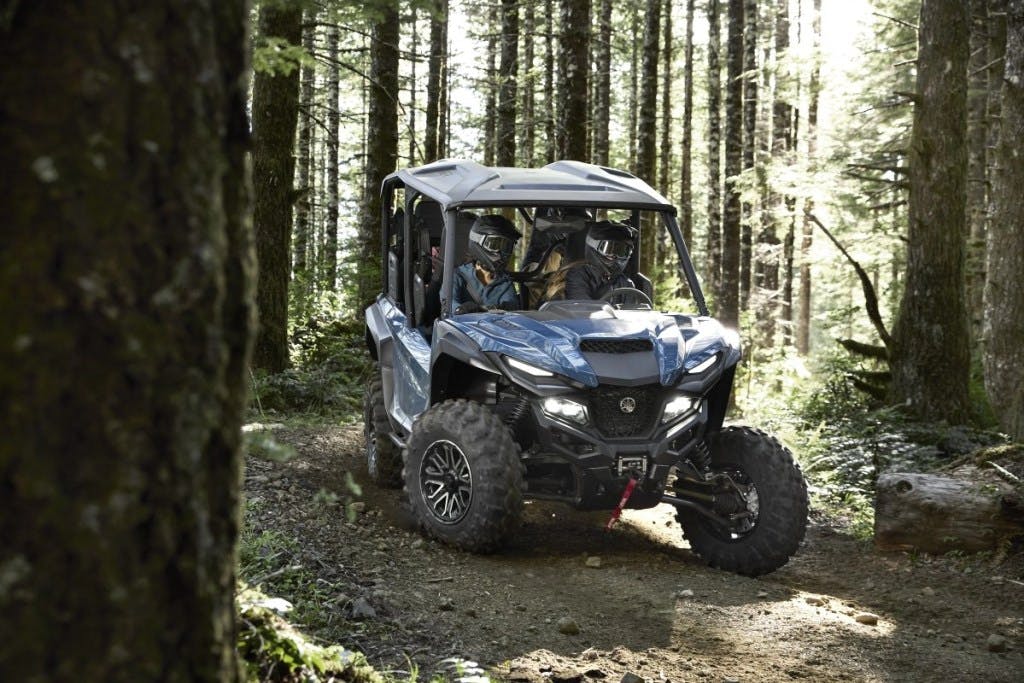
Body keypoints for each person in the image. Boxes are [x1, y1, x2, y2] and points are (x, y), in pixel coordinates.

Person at [451, 214, 522, 314]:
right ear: (477, 240)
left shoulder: (504, 281)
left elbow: (511, 308)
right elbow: (450, 305)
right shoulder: (458, 275)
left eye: (506, 246)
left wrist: (484, 309)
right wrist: (461, 309)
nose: (501, 252)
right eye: (495, 244)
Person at [564, 220, 636, 300]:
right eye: (609, 249)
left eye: (621, 251)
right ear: (594, 247)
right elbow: (583, 306)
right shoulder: (578, 275)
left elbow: (632, 307)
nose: (615, 256)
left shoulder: (626, 283)